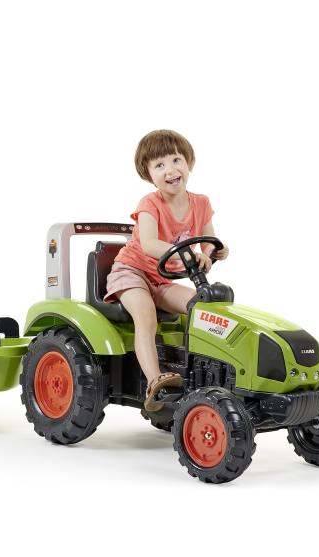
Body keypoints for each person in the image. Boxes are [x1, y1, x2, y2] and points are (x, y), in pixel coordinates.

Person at [104, 130, 229, 412]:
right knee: (146, 315)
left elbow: (208, 241)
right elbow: (149, 244)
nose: (170, 170)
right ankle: (155, 380)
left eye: (176, 160)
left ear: (189, 163)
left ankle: (202, 374)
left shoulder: (201, 203)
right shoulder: (150, 204)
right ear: (148, 174)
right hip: (132, 272)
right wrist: (188, 254)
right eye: (159, 165)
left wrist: (213, 252)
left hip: (163, 279)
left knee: (202, 308)